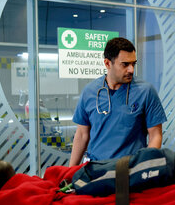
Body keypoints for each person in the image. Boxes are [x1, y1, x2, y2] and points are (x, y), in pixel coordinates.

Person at [69, 37, 167, 166]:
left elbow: (155, 135)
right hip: (96, 170)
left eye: (133, 64)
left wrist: (145, 167)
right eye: (125, 64)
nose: (131, 69)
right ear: (107, 63)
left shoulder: (146, 91)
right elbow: (82, 135)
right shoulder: (90, 92)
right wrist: (70, 172)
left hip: (130, 170)